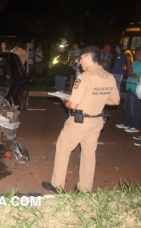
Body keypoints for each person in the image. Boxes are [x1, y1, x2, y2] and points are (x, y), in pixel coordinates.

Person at [42, 45, 120, 193]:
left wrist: (64, 99)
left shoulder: (84, 78)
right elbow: (115, 101)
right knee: (89, 154)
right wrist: (96, 99)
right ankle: (84, 188)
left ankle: (57, 184)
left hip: (79, 121)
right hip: (96, 121)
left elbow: (72, 104)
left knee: (63, 149)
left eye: (81, 59)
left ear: (88, 57)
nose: (80, 63)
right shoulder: (109, 77)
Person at [115, 47, 141, 133]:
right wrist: (128, 63)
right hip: (130, 87)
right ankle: (126, 123)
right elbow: (126, 72)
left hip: (135, 89)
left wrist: (128, 61)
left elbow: (131, 74)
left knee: (135, 108)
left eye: (136, 54)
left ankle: (135, 126)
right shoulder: (136, 62)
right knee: (127, 107)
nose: (135, 55)